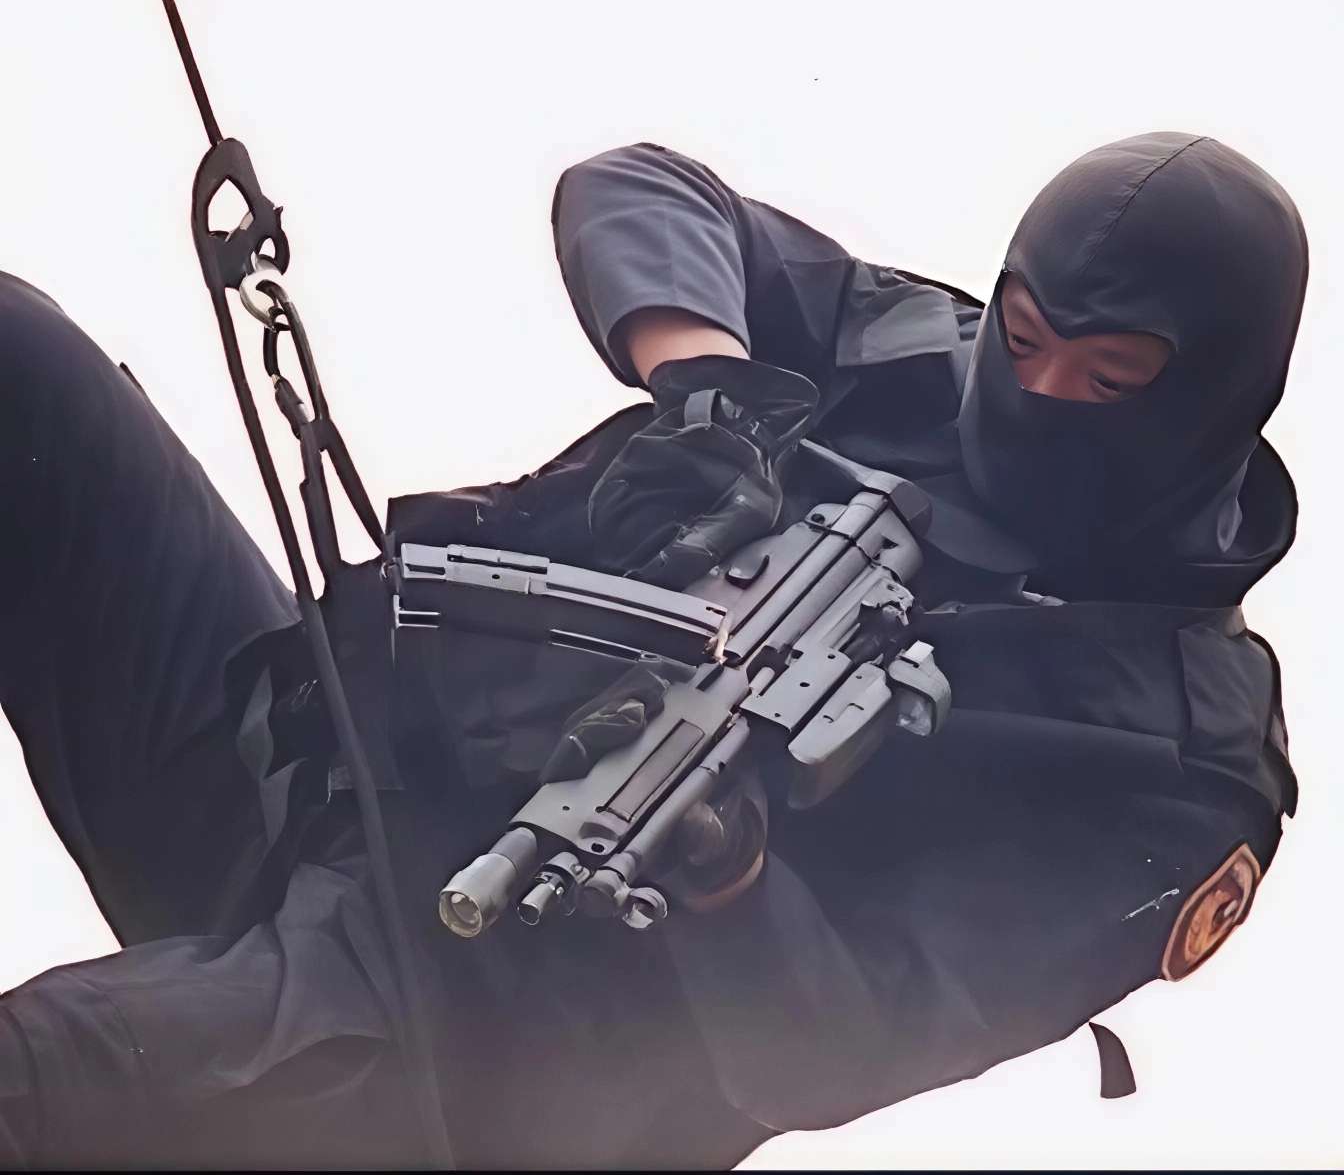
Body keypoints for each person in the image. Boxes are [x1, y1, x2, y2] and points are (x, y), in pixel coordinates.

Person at [0, 131, 1304, 1168]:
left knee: (36, 1081)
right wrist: (708, 392)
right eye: (1024, 339)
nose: (1039, 391)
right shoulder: (925, 358)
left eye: (1108, 376)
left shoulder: (1181, 760)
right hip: (305, 770)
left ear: (1221, 397)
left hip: (464, 1033)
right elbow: (640, 187)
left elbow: (846, 1044)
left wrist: (729, 870)